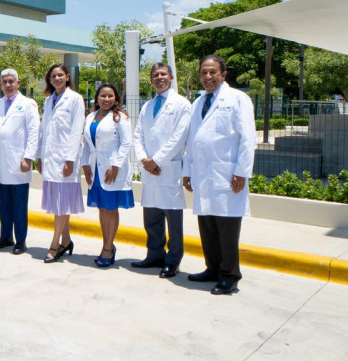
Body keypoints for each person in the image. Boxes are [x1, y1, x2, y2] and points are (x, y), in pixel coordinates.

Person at [183, 54, 255, 295]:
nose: (208, 76)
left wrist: (241, 172)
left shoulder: (237, 99)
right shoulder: (198, 102)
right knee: (208, 225)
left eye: (212, 72)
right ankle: (212, 268)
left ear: (223, 74)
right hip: (203, 175)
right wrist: (187, 171)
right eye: (204, 72)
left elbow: (248, 138)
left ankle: (229, 275)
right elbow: (193, 140)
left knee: (226, 227)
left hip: (227, 175)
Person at [131, 63, 192, 278]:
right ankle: (154, 254)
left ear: (171, 77)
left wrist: (156, 160)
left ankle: (173, 260)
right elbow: (137, 135)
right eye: (155, 75)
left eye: (163, 74)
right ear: (151, 80)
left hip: (168, 168)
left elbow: (179, 137)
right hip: (150, 170)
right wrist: (144, 160)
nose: (159, 78)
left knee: (173, 220)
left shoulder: (182, 104)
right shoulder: (147, 106)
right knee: (152, 217)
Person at [81, 83, 135, 268]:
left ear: (116, 99)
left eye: (110, 96)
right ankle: (108, 244)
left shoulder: (120, 117)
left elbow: (127, 143)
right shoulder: (90, 117)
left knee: (111, 209)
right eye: (103, 96)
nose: (106, 99)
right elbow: (86, 145)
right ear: (97, 98)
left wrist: (116, 165)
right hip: (96, 169)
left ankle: (107, 248)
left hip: (111, 170)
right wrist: (85, 165)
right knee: (102, 209)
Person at [36, 64, 85, 263]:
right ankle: (66, 240)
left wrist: (70, 159)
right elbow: (43, 130)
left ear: (67, 77)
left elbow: (76, 130)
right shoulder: (49, 101)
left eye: (60, 75)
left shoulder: (75, 99)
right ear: (49, 79)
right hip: (50, 157)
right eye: (53, 76)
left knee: (60, 205)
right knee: (59, 204)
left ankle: (55, 244)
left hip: (65, 159)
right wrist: (40, 156)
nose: (57, 78)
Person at [0, 69, 40, 255]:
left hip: (19, 162)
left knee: (19, 203)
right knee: (4, 203)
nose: (8, 85)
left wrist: (28, 157)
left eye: (11, 81)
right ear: (1, 85)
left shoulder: (28, 104)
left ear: (18, 83)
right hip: (1, 161)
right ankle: (5, 236)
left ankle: (21, 240)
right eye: (5, 82)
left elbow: (34, 132)